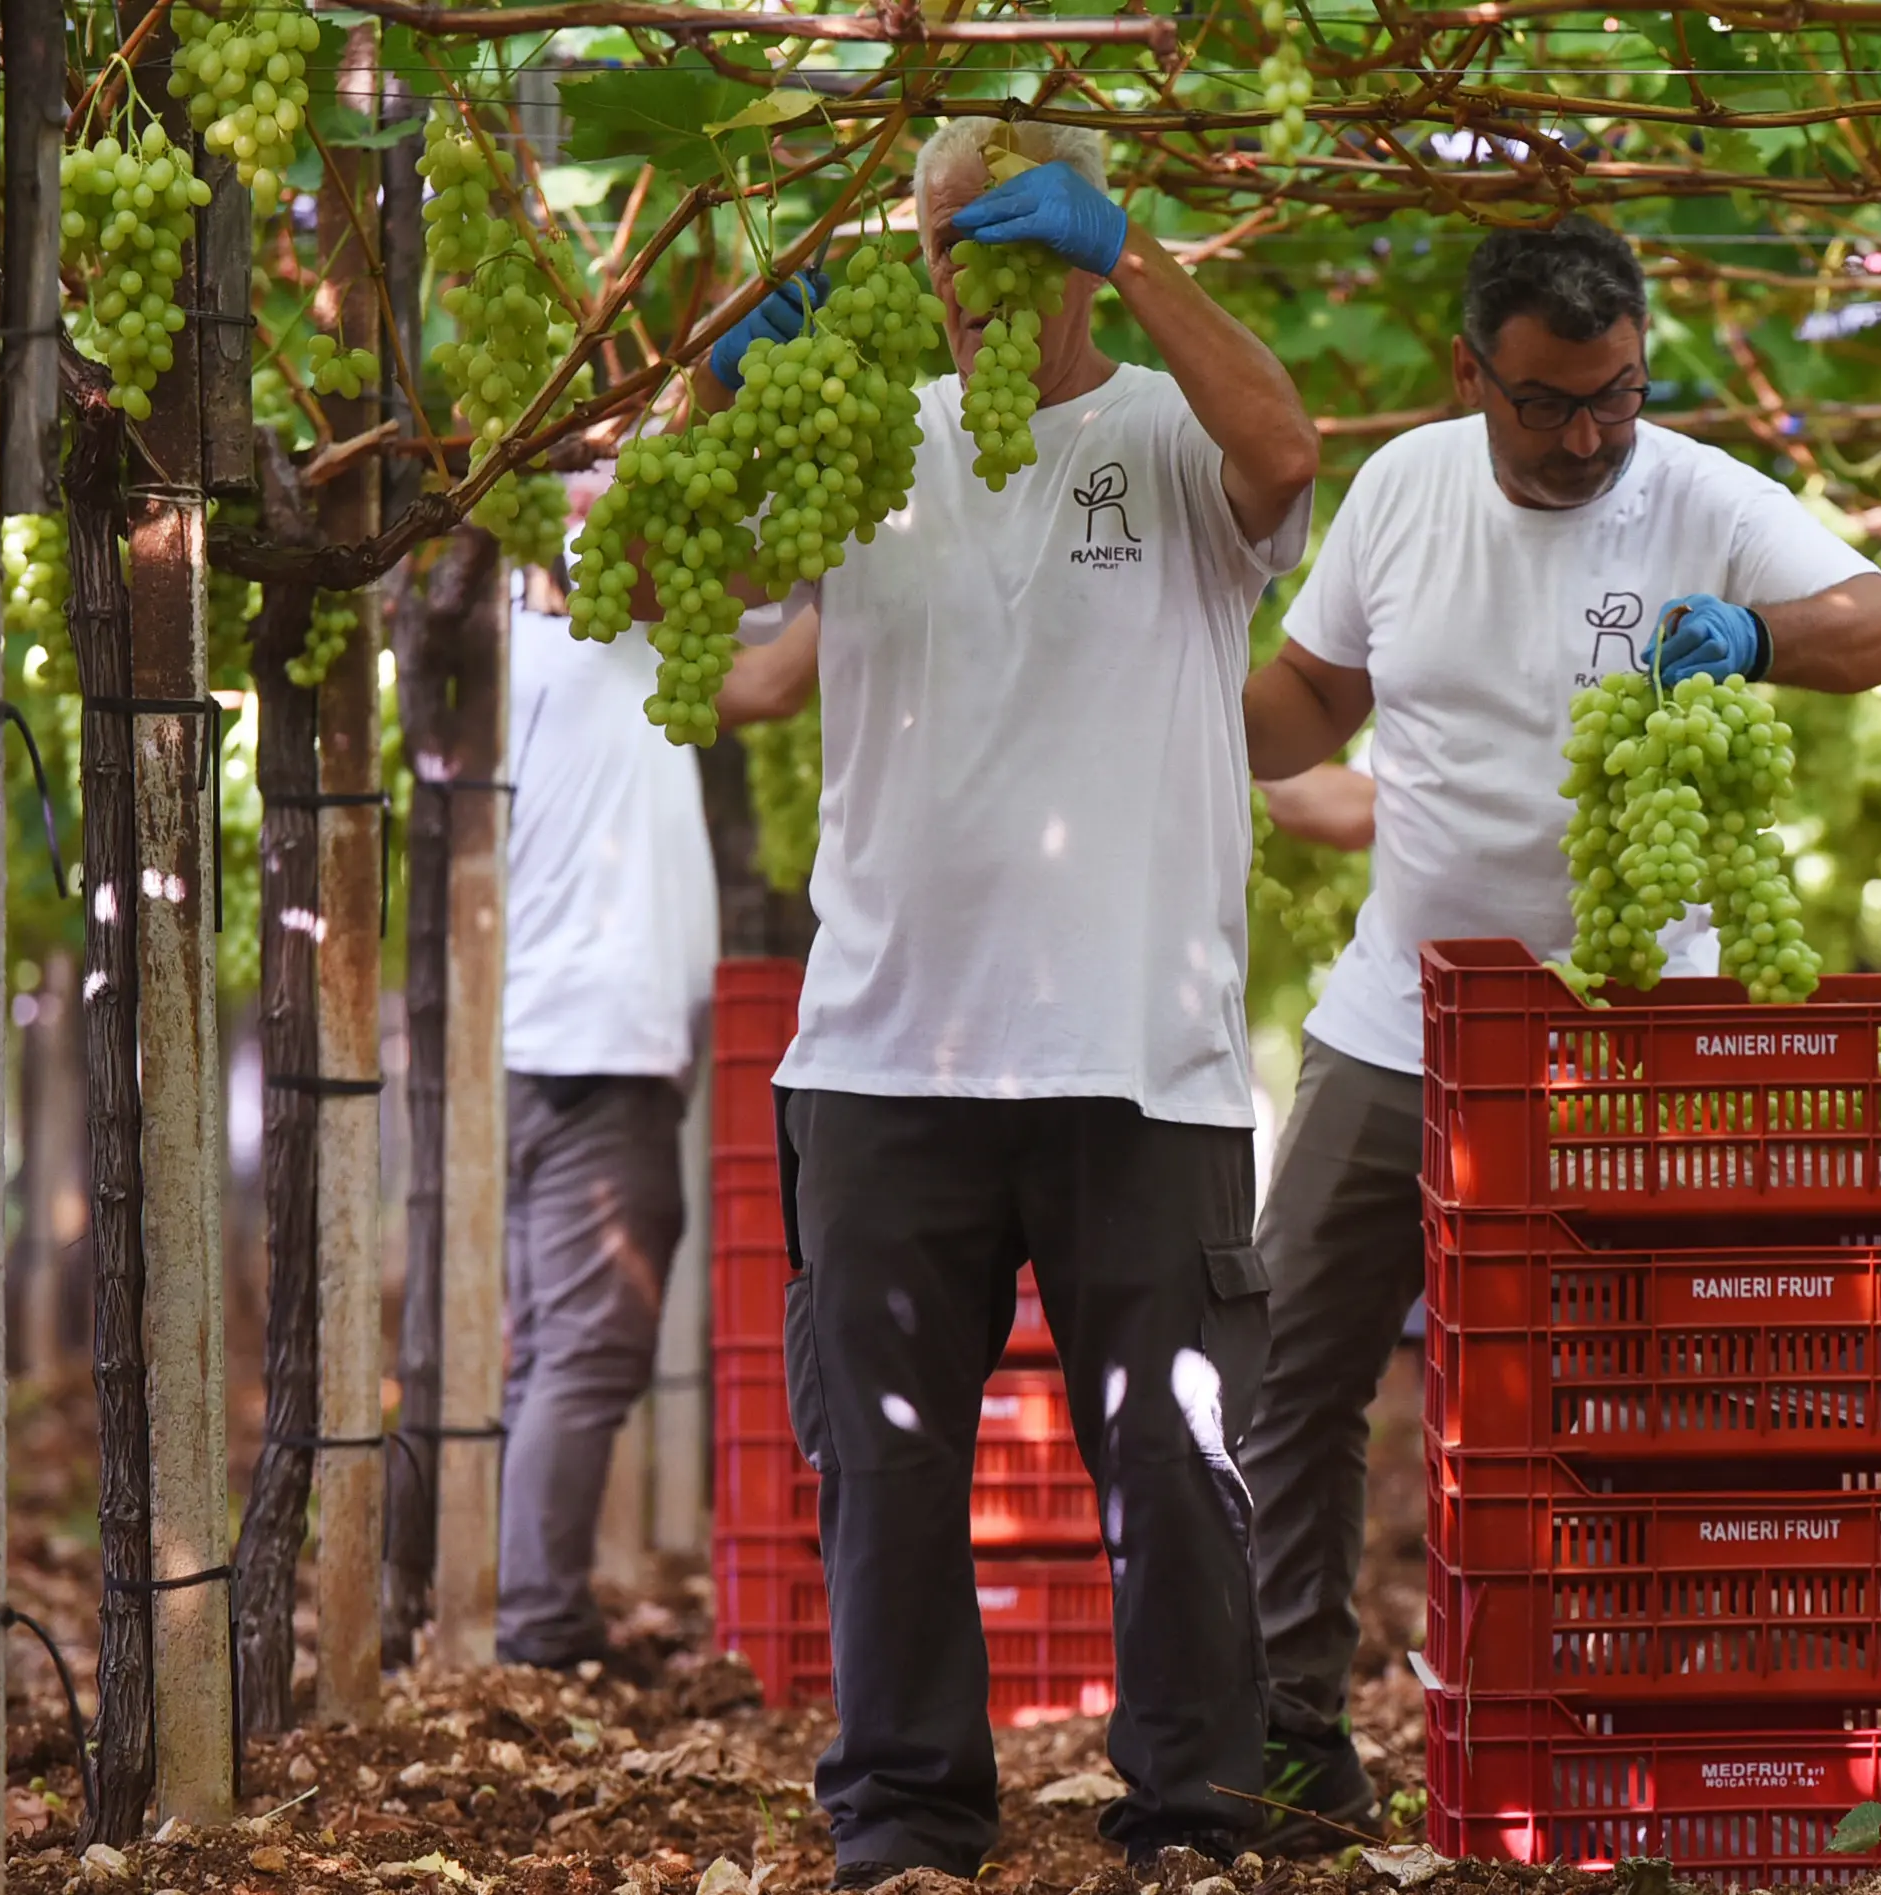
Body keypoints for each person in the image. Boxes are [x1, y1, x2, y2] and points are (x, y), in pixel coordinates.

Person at [1234, 212, 1881, 1842]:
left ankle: (1626, 1724)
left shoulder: (1686, 487)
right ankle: (1285, 1733)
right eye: (1546, 404)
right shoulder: (1403, 487)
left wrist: (1758, 637)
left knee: (1639, 1397)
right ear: (1468, 374)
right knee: (1289, 1371)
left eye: (1614, 395)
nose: (1587, 437)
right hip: (1398, 1014)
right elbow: (1305, 708)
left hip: (1633, 1039)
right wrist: (1155, 684)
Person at [693, 116, 1318, 1886]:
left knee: (1177, 1470)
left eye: (1001, 234)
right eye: (939, 238)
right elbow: (666, 595)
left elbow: (1283, 444)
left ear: (1066, 244)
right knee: (883, 1471)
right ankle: (903, 1819)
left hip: (1142, 1060)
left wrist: (1133, 256)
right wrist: (716, 396)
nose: (963, 272)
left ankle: (1194, 1820)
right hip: (888, 1050)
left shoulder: (1162, 439)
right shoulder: (856, 446)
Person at [494, 552, 720, 1673]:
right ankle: (538, 1627)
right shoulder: (606, 638)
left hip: (542, 1044)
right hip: (598, 1049)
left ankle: (535, 1611)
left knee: (548, 1350)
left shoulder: (508, 656)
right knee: (586, 1351)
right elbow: (764, 671)